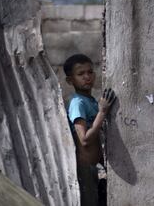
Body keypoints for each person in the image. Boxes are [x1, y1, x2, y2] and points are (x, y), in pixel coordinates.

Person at [63, 54, 116, 206]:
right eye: (81, 74)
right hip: (85, 169)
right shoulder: (77, 103)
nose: (87, 77)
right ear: (70, 80)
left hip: (95, 167)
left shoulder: (91, 101)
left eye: (90, 72)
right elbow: (84, 139)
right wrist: (102, 112)